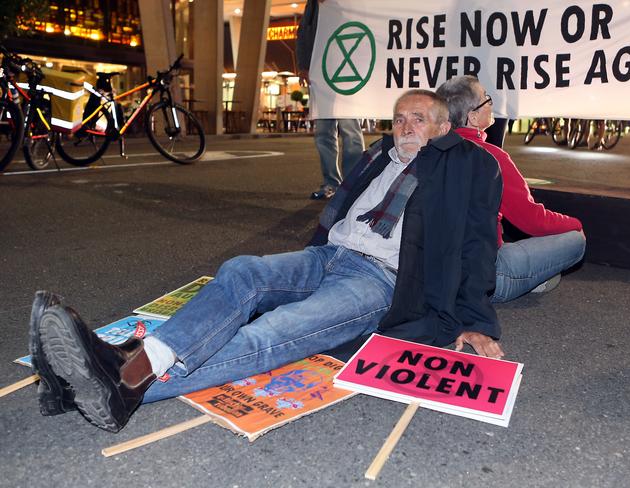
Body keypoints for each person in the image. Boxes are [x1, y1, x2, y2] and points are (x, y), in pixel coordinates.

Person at [30, 90, 504, 433]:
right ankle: (129, 368)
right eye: (399, 118)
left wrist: (475, 319)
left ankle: (118, 383)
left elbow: (479, 243)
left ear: (443, 128)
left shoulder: (464, 165)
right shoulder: (380, 155)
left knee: (276, 331)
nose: (404, 128)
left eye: (418, 119)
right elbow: (338, 207)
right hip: (328, 255)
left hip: (378, 281)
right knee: (242, 271)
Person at [437, 76, 586, 302]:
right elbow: (533, 220)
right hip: (486, 279)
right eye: (486, 99)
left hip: (436, 274)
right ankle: (531, 279)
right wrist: (576, 224)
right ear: (473, 117)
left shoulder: (429, 150)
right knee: (575, 239)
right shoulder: (492, 157)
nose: (491, 103)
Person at [297, 0, 365, 199]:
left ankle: (352, 184)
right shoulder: (313, 4)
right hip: (319, 75)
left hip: (345, 74)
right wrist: (303, 65)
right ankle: (331, 183)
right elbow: (303, 33)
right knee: (323, 133)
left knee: (350, 130)